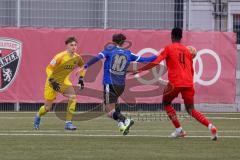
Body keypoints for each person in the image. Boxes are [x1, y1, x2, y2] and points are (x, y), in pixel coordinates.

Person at [134, 28, 218, 140]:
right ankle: (210, 126)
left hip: (175, 83)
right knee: (191, 109)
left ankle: (179, 130)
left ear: (172, 36)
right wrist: (188, 83)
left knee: (166, 103)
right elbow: (191, 70)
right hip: (188, 83)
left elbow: (156, 62)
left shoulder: (168, 48)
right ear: (181, 37)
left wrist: (140, 70)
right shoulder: (187, 51)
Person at [81, 33, 157, 135]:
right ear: (123, 43)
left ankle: (125, 120)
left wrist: (85, 66)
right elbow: (145, 60)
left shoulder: (109, 50)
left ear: (113, 41)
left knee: (108, 111)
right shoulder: (128, 53)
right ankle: (122, 125)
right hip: (121, 86)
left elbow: (97, 57)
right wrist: (159, 55)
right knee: (115, 107)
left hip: (110, 83)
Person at [34, 37, 85, 130]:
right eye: (71, 45)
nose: (74, 47)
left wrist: (81, 79)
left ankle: (68, 123)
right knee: (47, 108)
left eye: (75, 45)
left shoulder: (77, 58)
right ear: (67, 46)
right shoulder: (59, 56)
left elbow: (83, 66)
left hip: (64, 82)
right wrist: (52, 81)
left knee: (73, 97)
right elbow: (48, 68)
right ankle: (38, 115)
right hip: (51, 82)